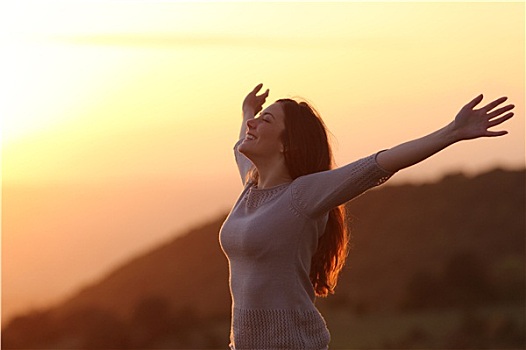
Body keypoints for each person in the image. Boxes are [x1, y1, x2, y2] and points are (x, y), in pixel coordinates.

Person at [219, 83, 515, 350]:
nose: (252, 125)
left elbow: (378, 164)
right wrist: (248, 110)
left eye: (265, 120)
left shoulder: (302, 195)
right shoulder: (251, 186)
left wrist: (452, 132)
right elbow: (240, 144)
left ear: (287, 145)